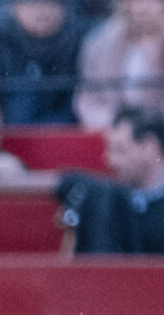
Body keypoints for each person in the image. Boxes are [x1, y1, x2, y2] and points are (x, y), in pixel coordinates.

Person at [57, 104, 164, 247]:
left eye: (120, 150)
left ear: (149, 147)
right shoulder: (103, 197)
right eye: (109, 150)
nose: (110, 160)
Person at [78, 0, 164, 124]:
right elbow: (87, 101)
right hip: (111, 136)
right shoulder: (99, 43)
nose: (142, 4)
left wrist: (150, 128)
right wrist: (120, 127)